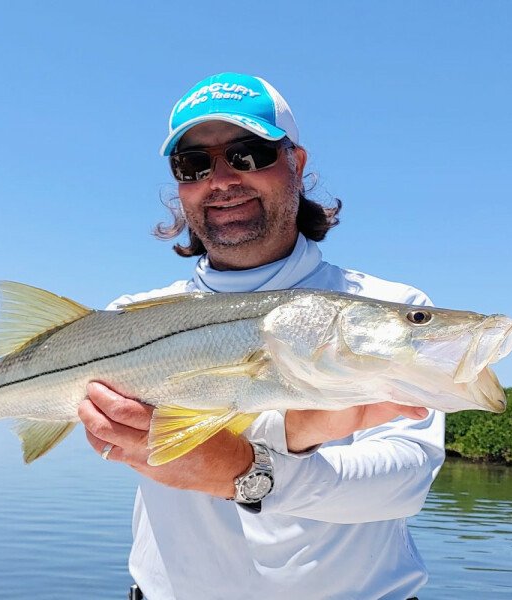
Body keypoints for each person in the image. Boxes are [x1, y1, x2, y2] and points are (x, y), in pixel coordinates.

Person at [77, 73, 445, 600]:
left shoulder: (393, 312)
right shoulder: (128, 321)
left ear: (296, 163)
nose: (221, 179)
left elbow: (404, 483)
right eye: (193, 164)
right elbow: (107, 439)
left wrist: (245, 471)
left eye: (248, 154)